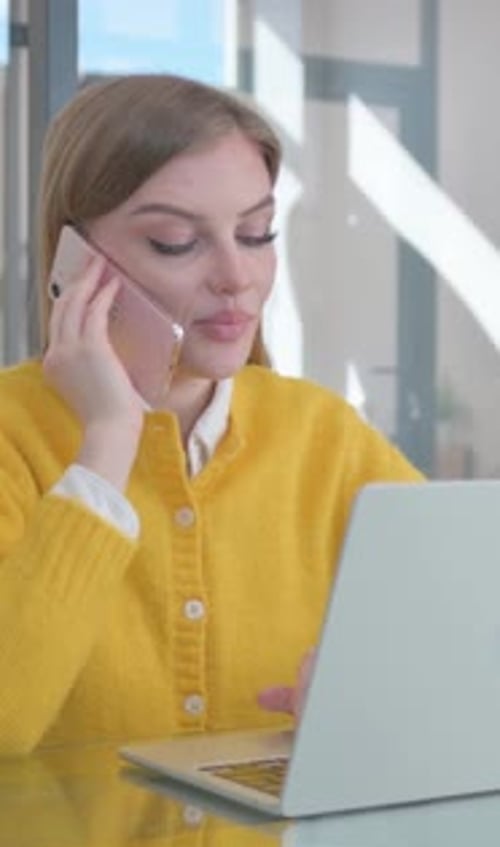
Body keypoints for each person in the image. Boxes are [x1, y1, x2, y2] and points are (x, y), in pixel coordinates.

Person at [0, 74, 423, 756]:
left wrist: (381, 698)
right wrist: (107, 441)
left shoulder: (326, 437)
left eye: (256, 233)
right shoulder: (11, 436)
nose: (237, 276)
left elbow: (464, 637)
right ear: (76, 261)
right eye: (175, 242)